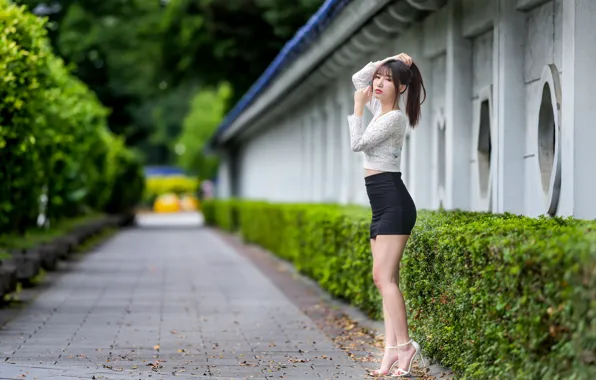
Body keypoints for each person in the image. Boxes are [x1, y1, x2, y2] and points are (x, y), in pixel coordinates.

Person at [347, 53, 426, 377]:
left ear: (403, 88)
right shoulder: (380, 111)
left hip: (394, 202)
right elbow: (358, 80)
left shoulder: (392, 118)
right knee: (385, 281)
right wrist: (390, 60)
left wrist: (356, 109)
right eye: (378, 77)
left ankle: (405, 346)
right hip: (380, 205)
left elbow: (357, 143)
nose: (377, 83)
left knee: (384, 278)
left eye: (388, 79)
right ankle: (390, 352)